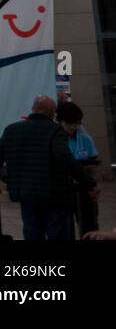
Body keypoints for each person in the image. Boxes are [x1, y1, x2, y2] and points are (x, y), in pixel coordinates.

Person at [0, 95, 95, 241]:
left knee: (32, 233)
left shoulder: (12, 130)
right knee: (58, 233)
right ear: (51, 113)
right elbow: (65, 159)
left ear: (32, 109)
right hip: (54, 194)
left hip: (26, 193)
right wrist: (89, 183)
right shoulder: (55, 130)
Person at [57, 100, 100, 235]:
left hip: (84, 189)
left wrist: (94, 186)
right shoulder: (55, 140)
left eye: (76, 124)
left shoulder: (86, 139)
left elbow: (94, 165)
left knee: (89, 225)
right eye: (69, 124)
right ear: (59, 121)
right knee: (64, 227)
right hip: (62, 190)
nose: (73, 127)